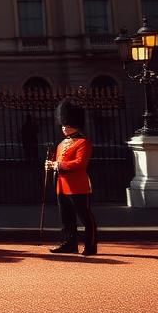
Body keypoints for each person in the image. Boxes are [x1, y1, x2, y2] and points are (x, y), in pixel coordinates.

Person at [47, 99, 98, 256]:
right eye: (63, 124)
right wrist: (50, 165)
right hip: (62, 186)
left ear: (75, 124)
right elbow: (58, 163)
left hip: (77, 186)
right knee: (66, 218)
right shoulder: (61, 144)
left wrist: (57, 165)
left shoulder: (83, 143)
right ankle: (70, 244)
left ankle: (90, 245)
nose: (63, 127)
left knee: (85, 217)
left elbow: (79, 164)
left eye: (67, 124)